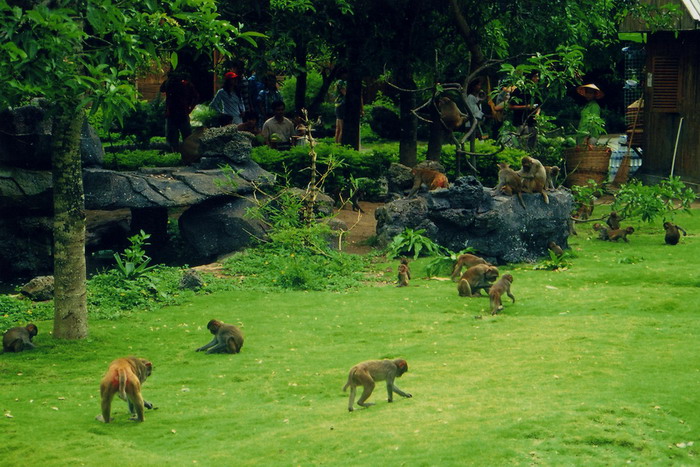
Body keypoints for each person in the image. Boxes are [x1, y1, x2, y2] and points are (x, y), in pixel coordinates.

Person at [160, 72, 199, 152]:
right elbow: (162, 89)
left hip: (181, 113)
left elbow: (195, 97)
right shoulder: (170, 84)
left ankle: (186, 153)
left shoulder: (185, 85)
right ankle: (178, 153)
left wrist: (190, 108)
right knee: (174, 137)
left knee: (185, 136)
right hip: (174, 114)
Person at [509, 70, 541, 149]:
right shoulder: (519, 91)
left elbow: (539, 105)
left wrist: (537, 114)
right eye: (535, 76)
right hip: (521, 122)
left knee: (532, 145)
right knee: (521, 144)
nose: (537, 78)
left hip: (532, 122)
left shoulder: (535, 91)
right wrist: (525, 107)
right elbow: (510, 106)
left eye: (537, 76)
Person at [334, 79, 347, 144]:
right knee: (342, 129)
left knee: (338, 128)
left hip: (337, 106)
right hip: (341, 107)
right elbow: (345, 94)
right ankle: (339, 144)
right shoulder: (342, 83)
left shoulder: (337, 82)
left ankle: (336, 144)